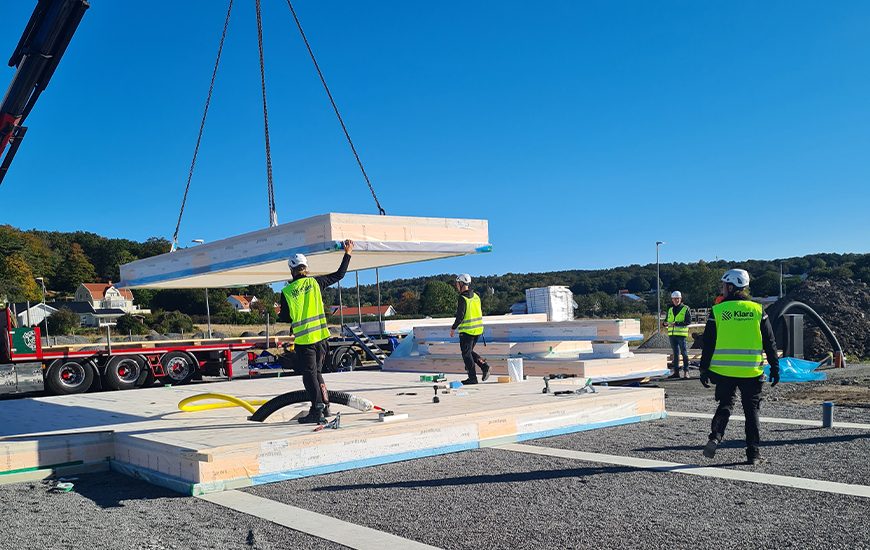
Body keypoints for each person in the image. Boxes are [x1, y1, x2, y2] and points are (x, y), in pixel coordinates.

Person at [699, 268, 780, 465]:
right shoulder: (757, 310)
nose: (722, 289)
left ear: (731, 286)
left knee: (725, 404)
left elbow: (708, 342)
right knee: (751, 411)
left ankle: (715, 437)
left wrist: (703, 369)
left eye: (723, 286)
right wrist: (775, 367)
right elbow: (770, 342)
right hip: (751, 371)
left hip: (724, 371)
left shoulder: (718, 311)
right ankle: (753, 453)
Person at [278, 239, 354, 424]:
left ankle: (317, 410)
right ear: (306, 267)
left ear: (291, 270)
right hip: (321, 338)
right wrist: (347, 253)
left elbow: (285, 317)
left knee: (309, 376)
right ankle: (325, 406)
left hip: (305, 341)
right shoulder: (315, 283)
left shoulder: (287, 292)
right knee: (317, 372)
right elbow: (339, 275)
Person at [449, 274, 490, 385]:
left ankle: (473, 378)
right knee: (469, 352)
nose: (457, 286)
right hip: (478, 330)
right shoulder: (476, 296)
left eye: (457, 284)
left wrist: (453, 328)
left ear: (461, 283)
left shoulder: (462, 298)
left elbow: (460, 315)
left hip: (467, 331)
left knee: (466, 354)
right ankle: (484, 366)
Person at [664, 290, 693, 379]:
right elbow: (667, 320)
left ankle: (686, 371)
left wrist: (676, 323)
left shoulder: (685, 309)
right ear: (672, 300)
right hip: (672, 334)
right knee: (675, 354)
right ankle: (676, 372)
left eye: (678, 298)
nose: (676, 300)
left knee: (684, 353)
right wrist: (664, 323)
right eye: (674, 299)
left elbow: (688, 321)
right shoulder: (670, 309)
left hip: (681, 334)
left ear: (680, 299)